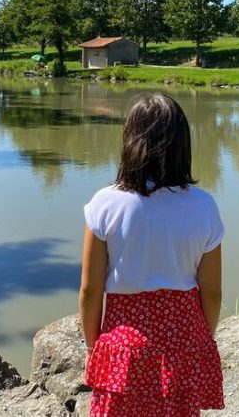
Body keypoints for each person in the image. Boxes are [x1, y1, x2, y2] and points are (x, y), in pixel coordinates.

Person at [79, 92, 225, 417]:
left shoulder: (105, 204)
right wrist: (201, 338)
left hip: (123, 344)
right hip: (183, 338)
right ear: (182, 144)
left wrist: (93, 347)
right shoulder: (203, 206)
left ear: (129, 140)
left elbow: (90, 291)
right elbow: (212, 293)